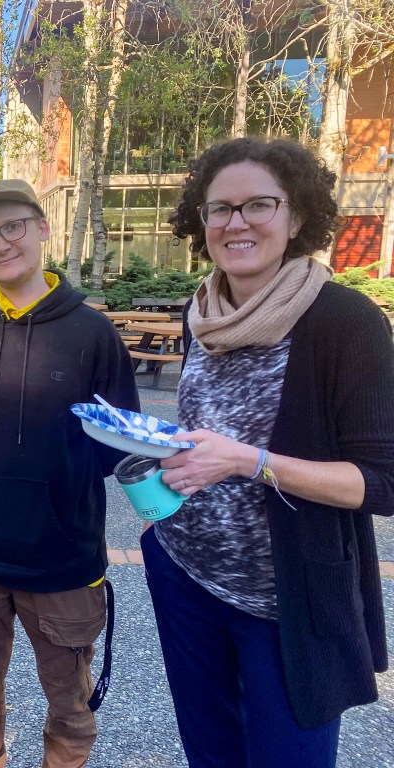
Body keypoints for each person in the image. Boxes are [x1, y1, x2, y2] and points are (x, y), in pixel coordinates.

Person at [143, 136, 394, 768]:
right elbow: (208, 434)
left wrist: (248, 461)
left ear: (297, 215)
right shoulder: (199, 315)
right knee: (212, 755)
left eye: (259, 204)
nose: (236, 222)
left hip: (287, 595)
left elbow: (382, 482)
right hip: (187, 574)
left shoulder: (344, 321)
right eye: (218, 208)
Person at [0, 179, 140, 768]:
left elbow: (119, 446)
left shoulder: (94, 333)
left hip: (61, 557)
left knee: (69, 709)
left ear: (43, 228)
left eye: (11, 226)